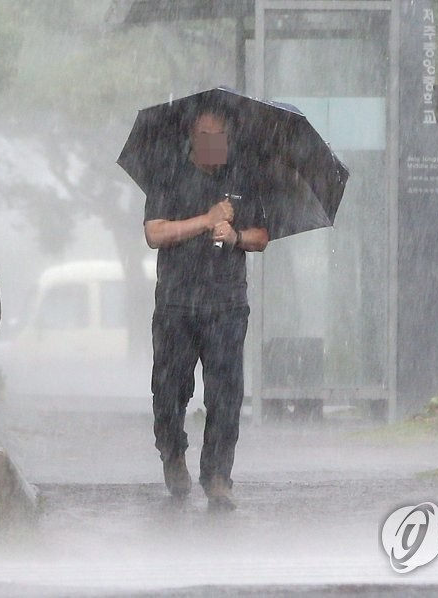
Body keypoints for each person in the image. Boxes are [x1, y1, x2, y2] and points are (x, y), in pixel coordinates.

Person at [143, 106, 269, 511]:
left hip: (227, 304)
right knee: (169, 390)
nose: (216, 145)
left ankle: (218, 475)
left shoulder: (244, 178)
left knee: (226, 394)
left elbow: (262, 236)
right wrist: (205, 220)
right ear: (193, 138)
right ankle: (172, 451)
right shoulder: (168, 173)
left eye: (222, 137)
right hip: (177, 304)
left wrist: (234, 235)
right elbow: (154, 232)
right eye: (206, 136)